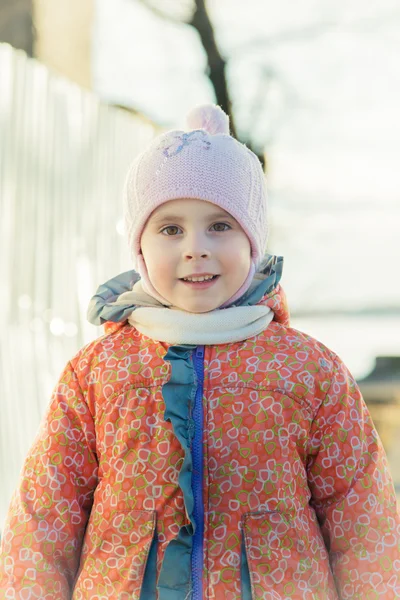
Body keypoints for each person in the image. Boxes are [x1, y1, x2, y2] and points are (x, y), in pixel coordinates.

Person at [0, 103, 399, 600]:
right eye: (170, 229)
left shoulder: (309, 370)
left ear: (253, 243)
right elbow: (45, 516)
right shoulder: (97, 372)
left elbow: (363, 518)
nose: (195, 247)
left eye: (220, 226)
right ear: (140, 248)